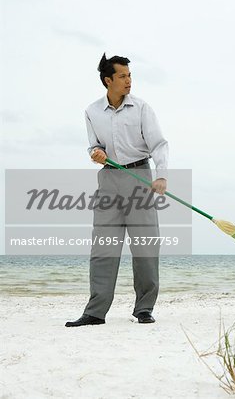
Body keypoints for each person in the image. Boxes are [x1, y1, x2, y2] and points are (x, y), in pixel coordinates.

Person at [65, 53, 168, 327]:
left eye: (130, 75)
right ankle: (95, 312)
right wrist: (96, 152)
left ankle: (144, 308)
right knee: (103, 247)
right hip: (109, 179)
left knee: (145, 247)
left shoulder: (142, 108)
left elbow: (159, 144)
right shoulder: (91, 111)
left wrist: (161, 176)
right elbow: (93, 145)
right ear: (107, 80)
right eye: (123, 76)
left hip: (141, 177)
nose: (129, 81)